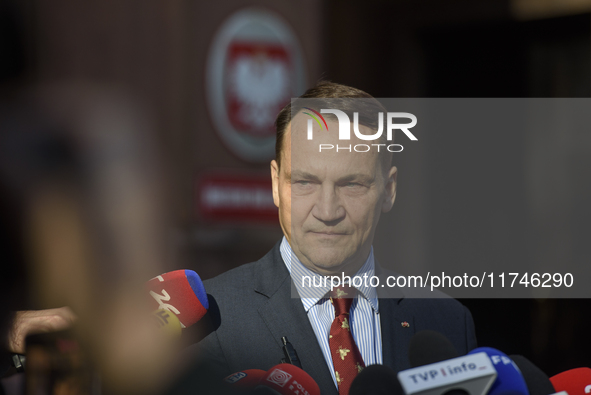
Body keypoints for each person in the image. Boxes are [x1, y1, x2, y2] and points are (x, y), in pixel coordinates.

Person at [194, 82, 477, 395]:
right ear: (276, 184)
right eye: (305, 182)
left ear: (388, 190)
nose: (327, 211)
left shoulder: (447, 322)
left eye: (351, 184)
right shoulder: (212, 323)